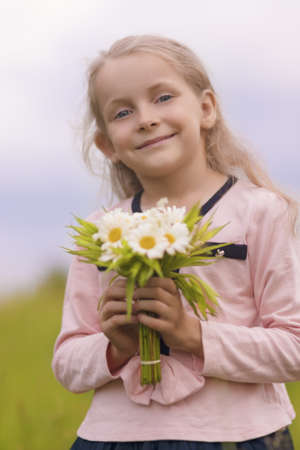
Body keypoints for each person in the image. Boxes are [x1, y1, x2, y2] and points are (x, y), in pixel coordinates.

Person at [52, 35, 300, 449]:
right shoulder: (103, 231)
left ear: (206, 108)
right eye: (123, 112)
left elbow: (293, 346)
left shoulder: (260, 212)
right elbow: (66, 362)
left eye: (163, 97)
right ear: (107, 144)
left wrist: (192, 334)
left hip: (238, 436)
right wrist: (116, 348)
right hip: (111, 439)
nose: (146, 119)